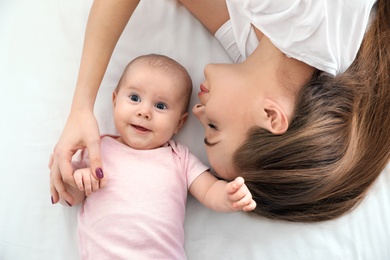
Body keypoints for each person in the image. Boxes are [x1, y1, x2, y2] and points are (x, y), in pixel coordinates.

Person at [50, 0, 390, 222]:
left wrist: (81, 112)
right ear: (271, 116)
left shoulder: (260, 55)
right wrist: (82, 101)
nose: (197, 111)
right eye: (214, 127)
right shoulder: (301, 16)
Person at [60, 54, 256, 259]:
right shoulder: (96, 149)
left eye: (160, 106)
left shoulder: (179, 157)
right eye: (134, 98)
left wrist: (227, 196)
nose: (144, 112)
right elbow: (70, 198)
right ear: (115, 100)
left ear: (179, 123)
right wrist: (78, 180)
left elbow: (208, 190)